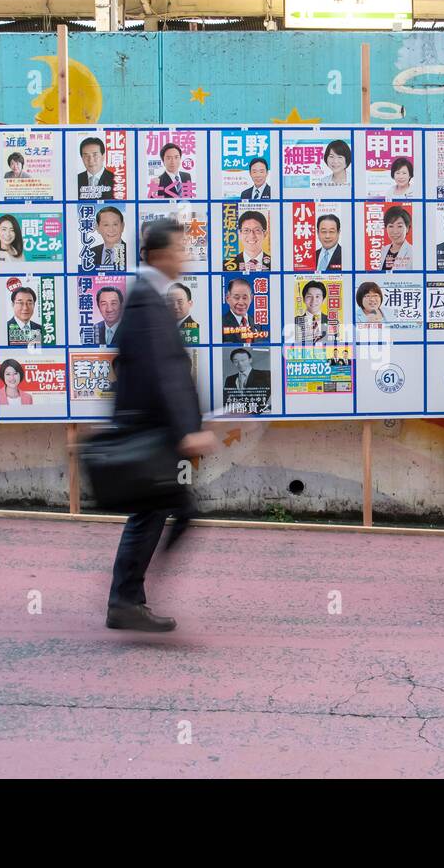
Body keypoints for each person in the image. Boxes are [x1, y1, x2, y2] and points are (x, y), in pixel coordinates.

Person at [107, 217, 215, 632]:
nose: (184, 256)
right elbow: (163, 372)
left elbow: (165, 369)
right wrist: (187, 429)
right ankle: (125, 599)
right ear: (158, 255)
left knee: (164, 512)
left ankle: (128, 598)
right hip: (153, 431)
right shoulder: (144, 300)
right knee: (162, 513)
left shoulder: (149, 296)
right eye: (178, 248)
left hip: (156, 429)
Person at [85, 206, 127, 270]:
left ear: (122, 226)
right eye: (106, 225)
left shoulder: (132, 252)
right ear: (97, 228)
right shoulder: (90, 253)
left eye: (115, 224)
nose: (111, 230)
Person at [375, 205, 412, 270]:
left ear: (407, 228)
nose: (395, 231)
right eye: (391, 226)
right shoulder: (383, 250)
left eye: (399, 226)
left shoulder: (413, 252)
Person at [293, 280, 330, 345]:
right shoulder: (294, 322)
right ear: (304, 299)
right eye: (309, 296)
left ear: (323, 300)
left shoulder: (333, 322)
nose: (313, 300)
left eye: (317, 296)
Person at [221, 277, 255, 343]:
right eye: (236, 298)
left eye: (245, 298)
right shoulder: (220, 323)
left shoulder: (257, 322)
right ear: (228, 298)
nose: (241, 303)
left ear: (251, 298)